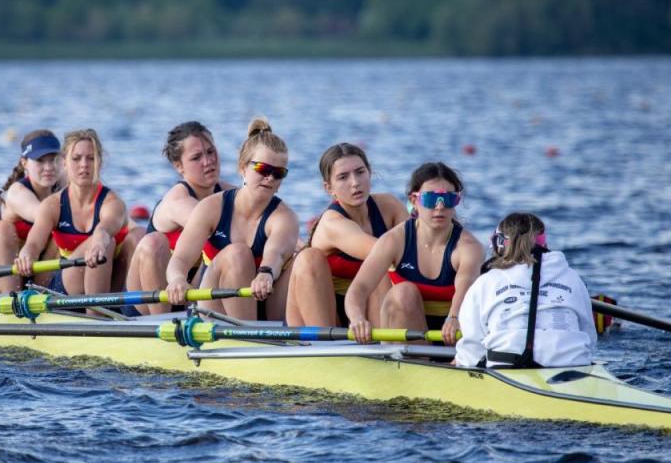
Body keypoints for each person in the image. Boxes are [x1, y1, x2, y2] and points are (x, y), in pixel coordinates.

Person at [165, 117, 299, 321]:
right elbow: (180, 259)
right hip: (216, 306)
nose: (270, 178)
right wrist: (177, 279)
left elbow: (275, 254)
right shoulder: (212, 207)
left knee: (308, 259)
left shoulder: (285, 217)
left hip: (268, 301)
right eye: (262, 169)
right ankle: (247, 337)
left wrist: (266, 273)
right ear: (243, 168)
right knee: (238, 253)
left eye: (278, 173)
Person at [345, 161, 484, 345]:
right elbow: (358, 289)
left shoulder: (469, 247)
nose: (440, 207)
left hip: (452, 339)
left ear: (456, 201)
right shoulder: (394, 240)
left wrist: (454, 317)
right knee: (403, 292)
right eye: (430, 199)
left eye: (448, 199)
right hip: (404, 339)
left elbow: (464, 291)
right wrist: (357, 319)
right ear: (414, 200)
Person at [286, 143, 409, 327]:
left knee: (381, 267)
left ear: (370, 173)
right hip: (321, 315)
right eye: (343, 177)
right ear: (329, 188)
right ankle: (323, 347)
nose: (355, 182)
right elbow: (392, 252)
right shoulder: (332, 223)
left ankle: (381, 346)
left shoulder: (389, 206)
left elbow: (418, 246)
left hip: (366, 312)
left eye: (360, 172)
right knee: (310, 258)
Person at [454, 212, 596, 368]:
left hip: (507, 367)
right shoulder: (572, 278)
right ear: (544, 243)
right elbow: (589, 334)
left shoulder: (485, 282)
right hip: (572, 364)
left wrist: (461, 363)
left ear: (499, 244)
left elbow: (472, 344)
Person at [16, 128, 137, 299]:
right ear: (64, 163)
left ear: (99, 162)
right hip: (66, 284)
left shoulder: (113, 203)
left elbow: (104, 229)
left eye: (91, 158)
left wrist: (99, 242)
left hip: (111, 281)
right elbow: (34, 244)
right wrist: (26, 254)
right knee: (106, 243)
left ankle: (140, 310)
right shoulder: (53, 205)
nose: (84, 165)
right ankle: (97, 314)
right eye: (76, 158)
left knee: (135, 235)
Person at [126, 121, 233, 314]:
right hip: (149, 302)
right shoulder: (178, 200)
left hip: (191, 290)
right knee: (153, 242)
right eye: (196, 157)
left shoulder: (228, 192)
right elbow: (225, 230)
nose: (208, 161)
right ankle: (162, 326)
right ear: (179, 166)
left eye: (210, 152)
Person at [0, 130, 64, 294]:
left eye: (53, 160)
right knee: (1, 228)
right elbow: (44, 216)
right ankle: (13, 301)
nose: (49, 167)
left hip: (38, 275)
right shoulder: (17, 192)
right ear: (24, 163)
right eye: (40, 160)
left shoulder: (63, 184)